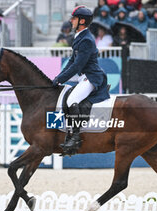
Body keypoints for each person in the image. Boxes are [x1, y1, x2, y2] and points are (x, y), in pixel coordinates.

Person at [52, 6, 110, 154]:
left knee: (72, 100)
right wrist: (59, 77)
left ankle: (76, 137)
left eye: (74, 18)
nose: (71, 21)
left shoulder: (87, 40)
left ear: (82, 21)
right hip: (84, 76)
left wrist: (61, 78)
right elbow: (71, 61)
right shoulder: (80, 38)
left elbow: (78, 65)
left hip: (92, 77)